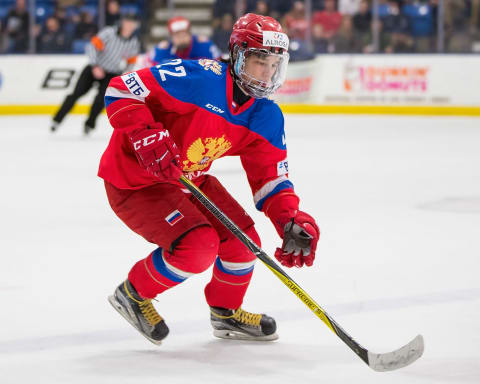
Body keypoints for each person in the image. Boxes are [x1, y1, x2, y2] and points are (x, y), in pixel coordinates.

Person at [99, 13, 320, 344]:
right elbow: (121, 89)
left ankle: (226, 313)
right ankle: (132, 294)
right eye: (260, 61)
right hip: (138, 182)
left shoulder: (265, 115)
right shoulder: (200, 79)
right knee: (198, 246)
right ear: (238, 55)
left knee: (243, 242)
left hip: (188, 179)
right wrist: (146, 135)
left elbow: (270, 178)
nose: (269, 72)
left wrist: (289, 218)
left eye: (275, 64)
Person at [50, 14, 140, 135]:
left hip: (112, 73)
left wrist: (124, 74)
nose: (129, 26)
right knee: (77, 93)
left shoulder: (134, 42)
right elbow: (92, 46)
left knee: (101, 100)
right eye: (128, 22)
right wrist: (95, 66)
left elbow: (131, 61)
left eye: (132, 23)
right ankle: (57, 120)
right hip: (94, 67)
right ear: (123, 22)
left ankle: (89, 124)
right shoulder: (109, 32)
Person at [146, 16, 220, 65]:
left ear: (190, 34)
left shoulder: (204, 45)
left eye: (184, 34)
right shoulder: (162, 49)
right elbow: (151, 72)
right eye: (177, 35)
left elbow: (219, 66)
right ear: (171, 37)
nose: (181, 38)